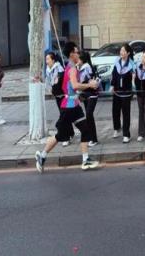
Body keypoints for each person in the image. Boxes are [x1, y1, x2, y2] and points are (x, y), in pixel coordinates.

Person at [35, 42, 99, 172]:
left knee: (85, 130)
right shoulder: (72, 69)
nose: (78, 54)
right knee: (61, 135)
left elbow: (70, 88)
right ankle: (42, 156)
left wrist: (78, 95)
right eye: (76, 52)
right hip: (68, 107)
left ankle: (85, 159)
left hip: (74, 105)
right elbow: (75, 86)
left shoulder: (70, 67)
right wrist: (90, 85)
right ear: (71, 54)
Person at [45, 52, 74, 146]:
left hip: (63, 96)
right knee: (65, 116)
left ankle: (67, 137)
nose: (46, 61)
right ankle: (71, 133)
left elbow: (60, 81)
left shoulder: (59, 68)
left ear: (53, 60)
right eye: (46, 59)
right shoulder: (48, 69)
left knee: (63, 117)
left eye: (48, 59)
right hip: (57, 96)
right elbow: (48, 81)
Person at [110, 44, 135, 143]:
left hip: (126, 92)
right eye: (121, 50)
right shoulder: (117, 62)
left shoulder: (131, 64)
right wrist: (112, 85)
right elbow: (114, 74)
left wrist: (133, 82)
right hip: (117, 91)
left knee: (126, 114)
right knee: (115, 111)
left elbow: (134, 77)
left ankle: (126, 134)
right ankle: (117, 128)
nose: (121, 52)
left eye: (124, 51)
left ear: (128, 53)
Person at [79, 51, 100, 147]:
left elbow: (86, 81)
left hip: (92, 94)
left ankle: (93, 139)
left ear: (82, 59)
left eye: (79, 58)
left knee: (89, 115)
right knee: (89, 116)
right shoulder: (82, 67)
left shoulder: (86, 67)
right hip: (86, 94)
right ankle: (92, 138)